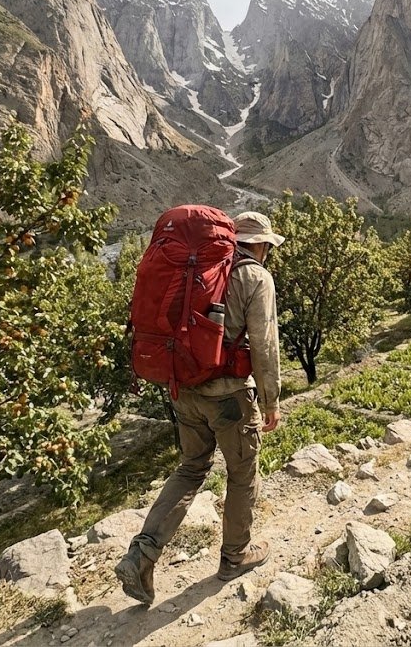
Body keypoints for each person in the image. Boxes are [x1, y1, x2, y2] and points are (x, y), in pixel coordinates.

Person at [114, 211, 284, 604]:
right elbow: (265, 346)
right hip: (230, 397)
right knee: (242, 474)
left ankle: (141, 555)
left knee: (191, 468)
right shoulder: (256, 277)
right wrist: (272, 400)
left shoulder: (198, 269)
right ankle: (235, 555)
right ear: (259, 244)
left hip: (185, 390)